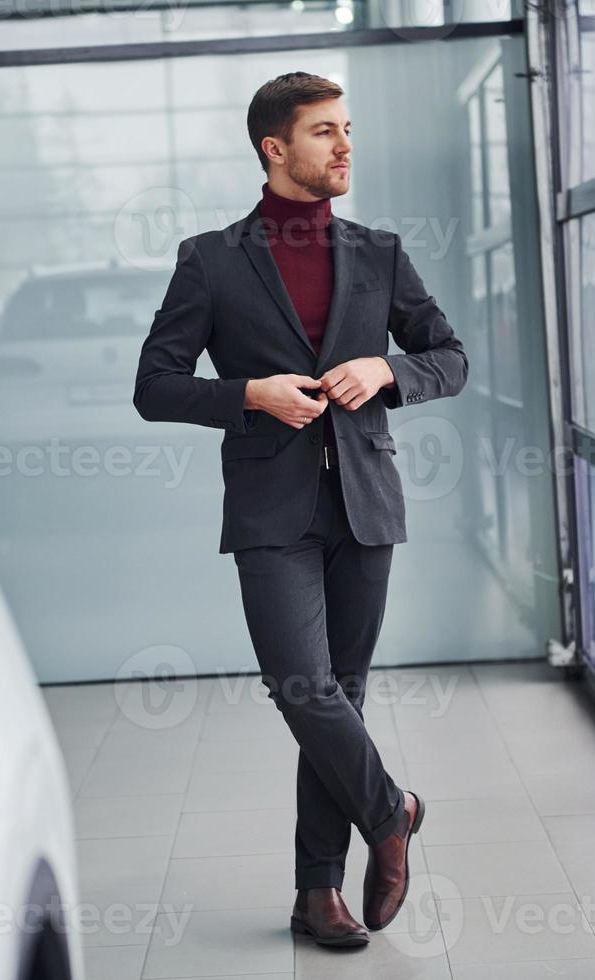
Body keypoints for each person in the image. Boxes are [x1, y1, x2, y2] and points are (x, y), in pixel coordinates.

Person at [133, 70, 468, 948]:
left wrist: (389, 371)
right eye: (325, 132)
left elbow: (451, 356)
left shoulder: (379, 252)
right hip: (269, 509)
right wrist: (251, 393)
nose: (345, 145)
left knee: (342, 698)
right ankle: (390, 811)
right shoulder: (210, 259)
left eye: (348, 129)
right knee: (302, 687)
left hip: (365, 503)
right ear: (274, 148)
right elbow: (154, 387)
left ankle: (316, 896)